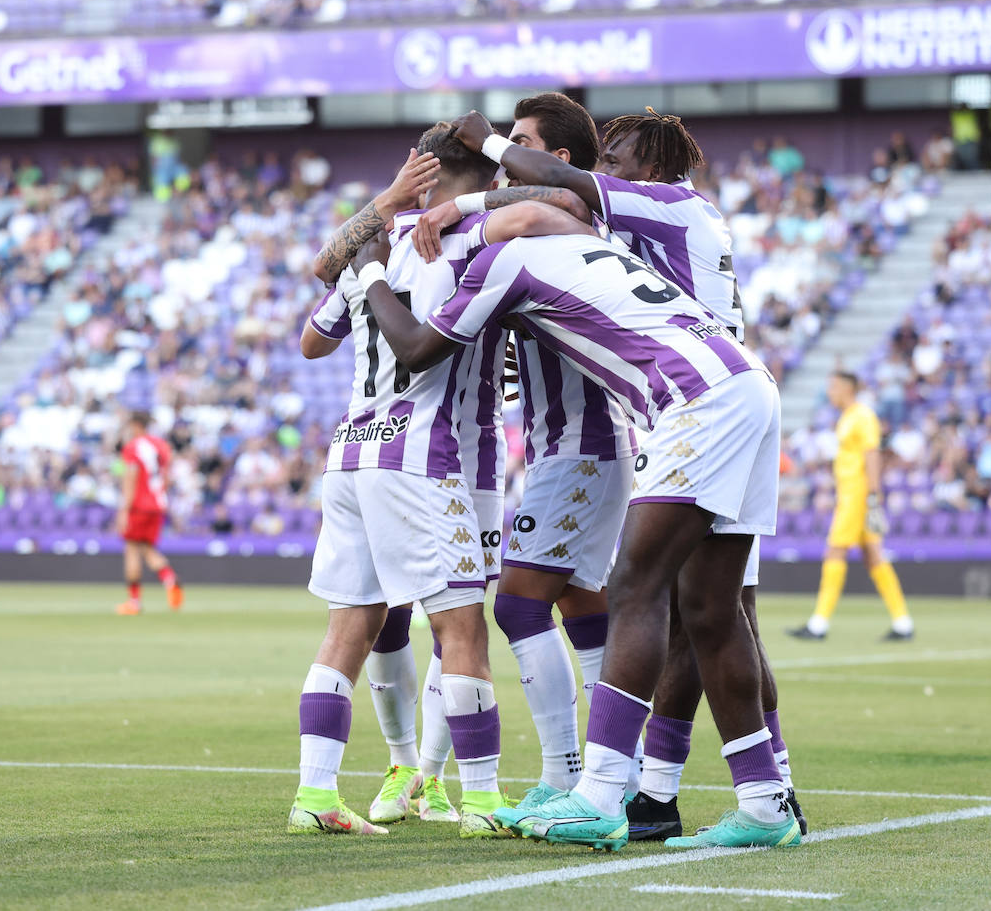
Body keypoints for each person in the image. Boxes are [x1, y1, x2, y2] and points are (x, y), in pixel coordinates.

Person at [356, 196, 796, 850]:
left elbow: (417, 349)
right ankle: (765, 802)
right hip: (746, 381)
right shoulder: (586, 243)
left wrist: (370, 271)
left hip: (693, 402)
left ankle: (597, 793)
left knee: (635, 591)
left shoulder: (505, 259)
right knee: (711, 607)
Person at [289, 129, 539, 839]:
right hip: (424, 456)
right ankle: (483, 801)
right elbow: (547, 205)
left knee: (349, 629)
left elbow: (312, 341)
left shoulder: (374, 241)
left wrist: (381, 221)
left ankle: (315, 794)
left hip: (351, 454)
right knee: (461, 627)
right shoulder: (477, 242)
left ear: (421, 176)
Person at [415, 93, 635, 813]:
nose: (503, 155)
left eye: (521, 144)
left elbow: (546, 207)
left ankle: (565, 775)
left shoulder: (566, 220)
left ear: (556, 161)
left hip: (582, 448)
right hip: (572, 448)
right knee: (579, 601)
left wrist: (459, 209)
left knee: (517, 605)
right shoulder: (545, 232)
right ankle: (617, 774)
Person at [789, 372, 913, 641]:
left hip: (857, 495)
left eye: (833, 386)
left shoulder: (862, 415)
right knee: (873, 556)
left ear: (847, 388)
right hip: (850, 493)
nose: (830, 392)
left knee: (835, 551)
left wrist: (872, 495)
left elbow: (872, 454)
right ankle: (903, 623)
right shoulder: (847, 417)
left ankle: (818, 624)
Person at [115, 411, 184, 615]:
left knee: (132, 549)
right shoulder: (162, 446)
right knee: (147, 548)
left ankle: (133, 602)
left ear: (136, 425)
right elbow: (167, 477)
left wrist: (124, 510)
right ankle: (170, 579)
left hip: (139, 505)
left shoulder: (133, 447)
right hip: (158, 504)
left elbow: (131, 478)